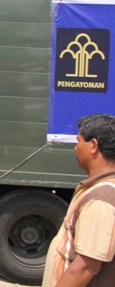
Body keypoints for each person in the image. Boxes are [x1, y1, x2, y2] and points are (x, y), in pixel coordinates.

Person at [42, 113, 115, 287]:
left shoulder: (102, 197)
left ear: (94, 146)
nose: (76, 148)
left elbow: (86, 266)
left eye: (79, 141)